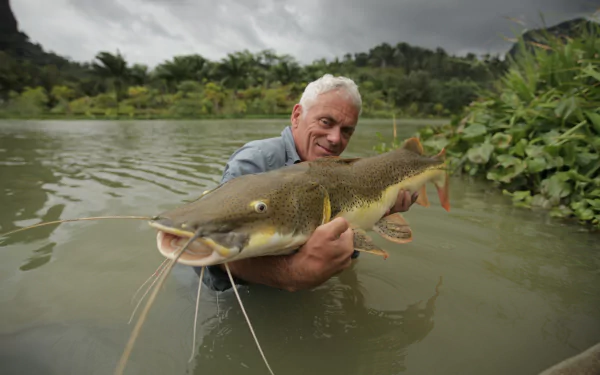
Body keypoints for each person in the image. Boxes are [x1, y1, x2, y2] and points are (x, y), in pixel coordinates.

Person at [196, 74, 418, 292]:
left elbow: (349, 248)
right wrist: (292, 274)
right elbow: (210, 249)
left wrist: (381, 212)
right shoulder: (255, 161)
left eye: (346, 131)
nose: (335, 138)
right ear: (296, 116)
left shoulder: (339, 170)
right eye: (325, 122)